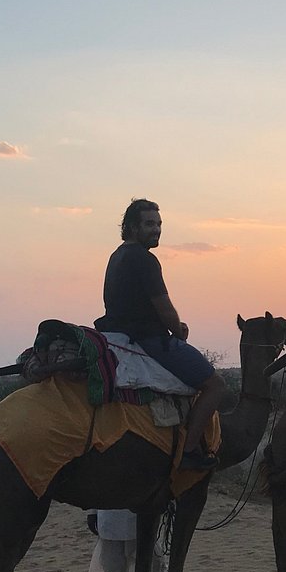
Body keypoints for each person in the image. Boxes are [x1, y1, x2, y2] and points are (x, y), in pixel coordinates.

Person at [94, 198, 225, 469]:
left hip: (120, 335)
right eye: (149, 224)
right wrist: (178, 330)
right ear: (131, 227)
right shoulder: (144, 259)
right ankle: (189, 452)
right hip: (147, 339)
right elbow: (163, 307)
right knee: (215, 386)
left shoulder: (117, 256)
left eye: (159, 224)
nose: (156, 230)